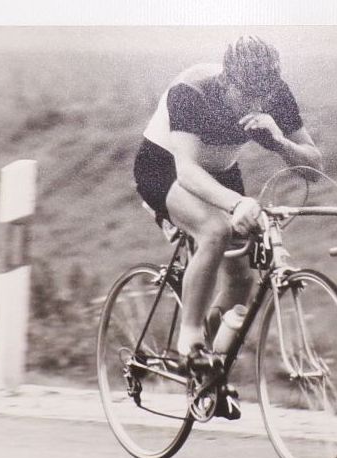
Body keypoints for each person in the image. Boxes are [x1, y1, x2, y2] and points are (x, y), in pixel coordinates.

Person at [133, 36, 323, 417]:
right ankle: (189, 343)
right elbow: (186, 170)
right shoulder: (193, 92)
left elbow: (314, 167)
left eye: (261, 98)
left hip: (220, 170)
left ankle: (210, 373)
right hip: (164, 167)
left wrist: (280, 141)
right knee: (215, 232)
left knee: (242, 275)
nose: (253, 106)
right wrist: (236, 204)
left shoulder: (275, 96)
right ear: (227, 80)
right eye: (245, 96)